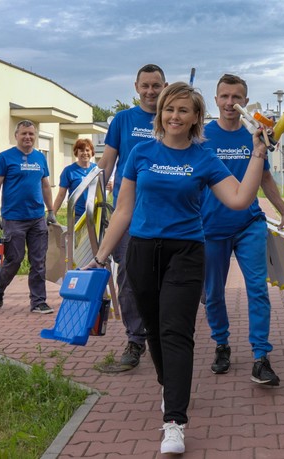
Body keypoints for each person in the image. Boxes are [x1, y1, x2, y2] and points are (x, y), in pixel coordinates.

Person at [85, 82, 268, 454]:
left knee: (176, 332)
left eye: (184, 110)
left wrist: (258, 154)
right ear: (161, 113)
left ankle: (174, 421)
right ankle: (170, 390)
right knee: (153, 329)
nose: (174, 116)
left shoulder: (204, 157)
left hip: (186, 252)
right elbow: (123, 210)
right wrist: (101, 256)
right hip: (141, 252)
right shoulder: (140, 153)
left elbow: (239, 199)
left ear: (196, 118)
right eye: (170, 109)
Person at [201, 74, 284, 386]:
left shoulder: (253, 134)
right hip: (211, 227)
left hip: (249, 225)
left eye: (236, 97)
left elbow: (265, 178)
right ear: (215, 100)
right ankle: (222, 344)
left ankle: (260, 357)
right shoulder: (201, 136)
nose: (230, 103)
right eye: (224, 96)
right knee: (213, 292)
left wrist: (283, 211)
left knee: (257, 289)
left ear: (245, 100)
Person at [96, 64, 167, 371]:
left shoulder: (172, 117)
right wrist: (96, 201)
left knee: (165, 277)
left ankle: (163, 335)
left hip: (164, 211)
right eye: (146, 85)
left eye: (156, 85)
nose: (151, 91)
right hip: (127, 214)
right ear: (136, 87)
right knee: (128, 278)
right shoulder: (123, 120)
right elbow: (107, 162)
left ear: (164, 86)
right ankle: (135, 339)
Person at [0, 119, 57, 314]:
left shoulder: (40, 158)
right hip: (13, 219)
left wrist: (50, 211)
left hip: (37, 218)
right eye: (24, 133)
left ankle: (38, 301)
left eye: (31, 134)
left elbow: (45, 186)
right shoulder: (5, 157)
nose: (28, 137)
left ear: (35, 137)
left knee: (38, 261)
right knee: (14, 259)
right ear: (16, 136)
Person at [52, 138, 96, 223]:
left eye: (87, 150)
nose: (85, 153)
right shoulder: (69, 171)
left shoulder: (96, 169)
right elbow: (61, 194)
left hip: (95, 213)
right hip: (76, 215)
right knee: (75, 237)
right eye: (81, 150)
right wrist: (53, 213)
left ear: (92, 152)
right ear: (76, 152)